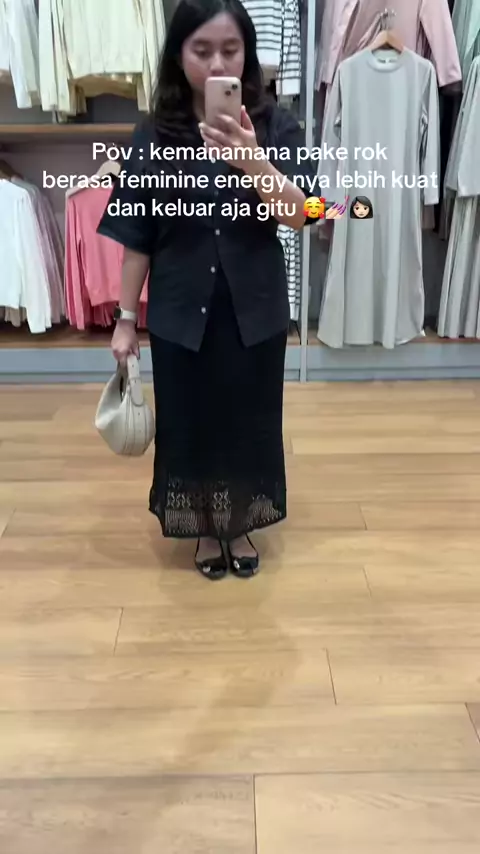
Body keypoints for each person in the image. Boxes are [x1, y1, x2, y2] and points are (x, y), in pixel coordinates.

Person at [97, 0, 317, 580]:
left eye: (230, 49)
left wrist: (253, 160)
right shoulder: (153, 134)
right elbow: (137, 235)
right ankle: (201, 527)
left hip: (255, 308)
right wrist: (125, 319)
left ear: (247, 53)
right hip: (179, 311)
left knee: (249, 421)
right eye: (202, 50)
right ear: (179, 54)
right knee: (189, 424)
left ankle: (238, 523)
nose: (217, 63)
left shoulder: (275, 125)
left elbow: (306, 213)